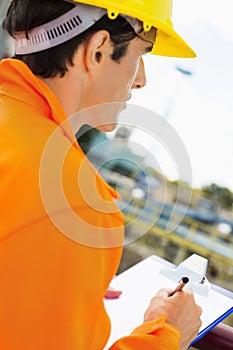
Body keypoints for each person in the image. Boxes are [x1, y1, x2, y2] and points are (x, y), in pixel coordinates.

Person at [0, 0, 202, 349]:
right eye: (140, 55)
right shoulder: (71, 204)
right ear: (98, 51)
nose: (141, 80)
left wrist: (57, 276)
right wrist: (167, 333)